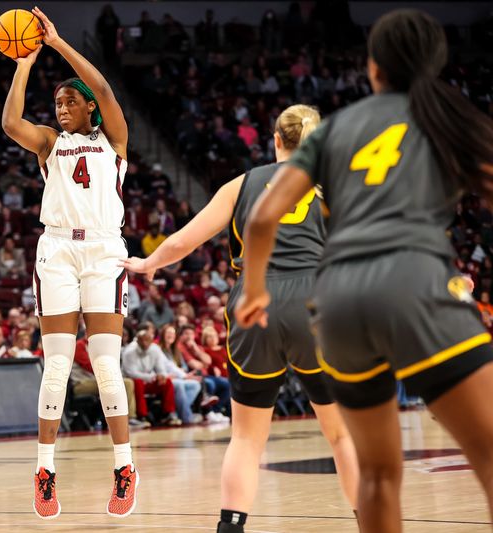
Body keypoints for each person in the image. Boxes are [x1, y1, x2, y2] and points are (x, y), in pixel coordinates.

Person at [234, 10, 493, 533]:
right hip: (414, 279)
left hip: (339, 303)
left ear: (374, 68)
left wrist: (254, 290)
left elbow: (262, 217)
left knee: (376, 474)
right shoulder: (447, 114)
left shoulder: (338, 129)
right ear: (436, 63)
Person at [121, 103, 360, 533]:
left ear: (275, 140)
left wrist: (147, 263)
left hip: (254, 299)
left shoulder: (243, 184)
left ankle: (230, 528)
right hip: (314, 300)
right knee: (341, 434)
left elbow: (183, 241)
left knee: (247, 439)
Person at [2, 6, 137, 519]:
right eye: (56, 102)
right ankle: (44, 471)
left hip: (104, 251)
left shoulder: (114, 140)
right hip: (57, 250)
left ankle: (124, 467)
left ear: (88, 110)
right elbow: (11, 122)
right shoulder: (51, 144)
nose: (60, 108)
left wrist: (57, 44)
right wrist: (24, 61)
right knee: (56, 366)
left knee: (105, 365)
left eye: (68, 102)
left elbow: (103, 88)